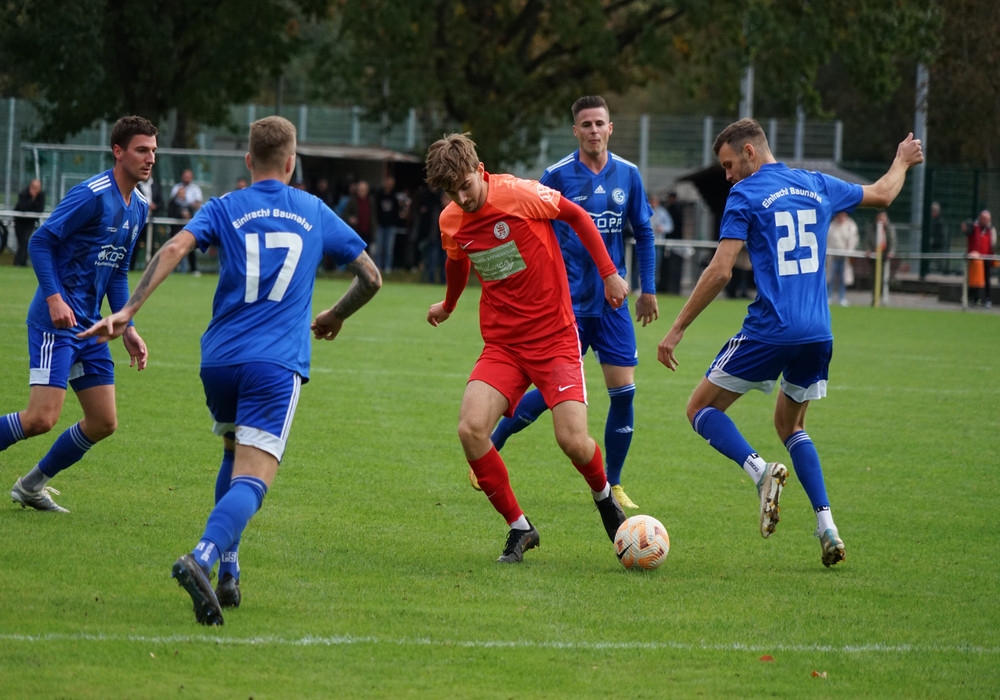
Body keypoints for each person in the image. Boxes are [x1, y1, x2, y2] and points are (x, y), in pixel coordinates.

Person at [80, 115, 382, 625]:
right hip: (274, 363)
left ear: (247, 160)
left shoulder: (224, 206)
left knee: (231, 452)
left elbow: (174, 247)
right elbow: (370, 277)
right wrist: (335, 314)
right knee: (255, 478)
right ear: (291, 163)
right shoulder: (313, 209)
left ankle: (230, 568)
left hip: (219, 360)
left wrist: (128, 310)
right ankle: (202, 557)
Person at [657, 118, 923, 567]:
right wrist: (901, 161)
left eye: (728, 165)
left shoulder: (746, 194)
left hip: (771, 328)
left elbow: (721, 270)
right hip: (818, 333)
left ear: (750, 151)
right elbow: (883, 193)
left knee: (699, 409)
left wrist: (678, 327)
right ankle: (827, 526)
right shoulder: (816, 184)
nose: (727, 177)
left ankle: (760, 472)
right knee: (791, 426)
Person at [424, 132, 629, 564]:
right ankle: (520, 528)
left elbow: (577, 215)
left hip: (554, 338)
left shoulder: (519, 194)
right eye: (452, 192)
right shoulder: (451, 220)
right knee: (470, 429)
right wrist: (449, 304)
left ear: (479, 171)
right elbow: (456, 262)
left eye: (466, 186)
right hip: (503, 344)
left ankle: (604, 496)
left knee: (572, 441)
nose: (462, 198)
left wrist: (609, 273)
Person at [488, 96, 659, 510]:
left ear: (610, 128)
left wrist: (648, 289)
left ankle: (614, 483)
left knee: (624, 393)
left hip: (613, 304)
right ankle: (495, 441)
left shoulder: (629, 175)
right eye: (586, 124)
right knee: (552, 392)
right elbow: (530, 231)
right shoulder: (557, 175)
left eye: (600, 123)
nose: (594, 131)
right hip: (566, 305)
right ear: (575, 131)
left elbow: (644, 233)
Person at [2, 116, 157, 513]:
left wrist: (126, 324)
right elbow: (40, 242)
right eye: (142, 150)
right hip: (55, 323)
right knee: (40, 419)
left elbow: (117, 270)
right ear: (118, 151)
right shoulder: (91, 195)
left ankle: (30, 486)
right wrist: (54, 298)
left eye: (153, 151)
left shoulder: (139, 206)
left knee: (103, 421)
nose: (150, 158)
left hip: (91, 327)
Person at [169, 168, 204, 275]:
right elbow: (171, 205)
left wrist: (188, 208)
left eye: (188, 177)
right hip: (176, 224)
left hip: (190, 223)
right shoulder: (176, 188)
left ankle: (193, 269)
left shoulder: (195, 189)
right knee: (174, 245)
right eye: (185, 176)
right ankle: (171, 268)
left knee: (191, 245)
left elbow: (198, 204)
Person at [131, 169, 163, 270]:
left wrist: (155, 206)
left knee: (152, 245)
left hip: (151, 221)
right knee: (135, 244)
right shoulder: (135, 185)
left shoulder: (156, 186)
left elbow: (161, 203)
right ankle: (131, 267)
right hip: (138, 220)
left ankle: (151, 268)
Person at [826, 211, 859, 306]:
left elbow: (853, 240)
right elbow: (828, 239)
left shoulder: (850, 225)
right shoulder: (832, 226)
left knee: (843, 278)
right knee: (830, 277)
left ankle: (842, 297)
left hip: (845, 257)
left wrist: (849, 252)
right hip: (833, 255)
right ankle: (829, 296)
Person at [965, 209, 997, 308]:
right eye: (984, 219)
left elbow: (992, 244)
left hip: (986, 257)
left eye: (988, 219)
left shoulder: (990, 230)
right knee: (974, 279)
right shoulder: (974, 227)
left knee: (987, 279)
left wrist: (992, 255)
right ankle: (972, 298)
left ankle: (987, 299)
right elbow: (967, 233)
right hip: (975, 258)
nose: (986, 221)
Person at [864, 210, 896, 305]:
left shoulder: (890, 228)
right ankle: (875, 298)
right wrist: (868, 250)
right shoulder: (871, 228)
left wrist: (891, 252)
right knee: (873, 278)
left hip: (884, 257)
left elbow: (893, 241)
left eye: (883, 218)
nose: (881, 220)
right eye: (879, 217)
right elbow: (867, 240)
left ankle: (882, 298)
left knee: (883, 279)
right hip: (874, 257)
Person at [13, 179, 45, 267]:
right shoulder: (23, 194)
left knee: (25, 240)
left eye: (37, 187)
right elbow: (22, 207)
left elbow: (40, 209)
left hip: (30, 221)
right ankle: (20, 261)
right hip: (19, 221)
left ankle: (20, 262)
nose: (35, 189)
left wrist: (34, 198)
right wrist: (32, 199)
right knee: (21, 241)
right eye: (34, 187)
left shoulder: (41, 196)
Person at [659, 191, 686, 295]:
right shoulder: (672, 209)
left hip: (673, 242)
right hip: (670, 242)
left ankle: (669, 287)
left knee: (672, 267)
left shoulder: (674, 209)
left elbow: (672, 228)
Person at [374, 174, 401, 274]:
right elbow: (376, 210)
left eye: (391, 183)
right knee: (378, 248)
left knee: (389, 249)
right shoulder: (379, 195)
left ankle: (387, 268)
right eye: (388, 182)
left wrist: (394, 222)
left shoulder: (394, 197)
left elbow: (397, 211)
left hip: (391, 226)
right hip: (380, 225)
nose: (389, 185)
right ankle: (377, 268)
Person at [649, 192, 674, 291]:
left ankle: (653, 288)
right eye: (651, 201)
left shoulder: (663, 213)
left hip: (657, 243)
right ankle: (638, 287)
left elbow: (670, 226)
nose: (653, 203)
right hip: (644, 243)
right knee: (640, 266)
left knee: (655, 267)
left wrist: (662, 228)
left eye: (654, 201)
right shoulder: (644, 211)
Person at [344, 179, 376, 254]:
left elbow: (373, 216)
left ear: (367, 191)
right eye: (360, 190)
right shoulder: (352, 201)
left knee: (367, 253)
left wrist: (374, 230)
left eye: (363, 190)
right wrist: (350, 218)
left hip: (368, 232)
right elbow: (345, 214)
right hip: (356, 232)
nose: (361, 192)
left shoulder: (371, 201)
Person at [927, 201, 949, 274]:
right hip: (935, 244)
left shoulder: (940, 221)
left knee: (940, 263)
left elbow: (942, 235)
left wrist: (933, 240)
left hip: (939, 244)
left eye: (933, 211)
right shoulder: (934, 220)